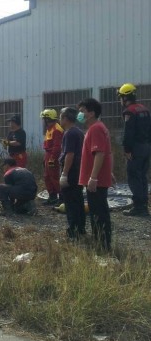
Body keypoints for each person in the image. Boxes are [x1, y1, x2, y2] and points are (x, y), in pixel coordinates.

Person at [77, 98, 113, 251]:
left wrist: (93, 177)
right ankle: (102, 242)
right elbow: (108, 152)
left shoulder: (96, 128)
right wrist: (109, 171)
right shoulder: (99, 127)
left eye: (82, 111)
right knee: (100, 211)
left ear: (91, 113)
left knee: (97, 213)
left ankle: (102, 245)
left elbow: (99, 153)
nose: (80, 114)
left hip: (95, 181)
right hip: (98, 178)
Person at [117, 83, 151, 217]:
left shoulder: (129, 111)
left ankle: (139, 207)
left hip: (136, 148)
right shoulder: (145, 109)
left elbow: (128, 132)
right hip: (147, 147)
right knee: (142, 175)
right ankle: (143, 204)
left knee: (133, 176)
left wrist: (127, 149)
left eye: (121, 97)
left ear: (125, 97)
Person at [58, 107, 86, 240]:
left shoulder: (70, 133)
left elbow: (69, 154)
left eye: (60, 117)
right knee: (78, 200)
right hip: (79, 171)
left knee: (70, 202)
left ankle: (73, 230)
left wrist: (64, 174)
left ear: (65, 118)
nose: (59, 119)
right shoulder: (79, 132)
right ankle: (81, 228)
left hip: (71, 172)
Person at [41, 108, 64, 205]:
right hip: (48, 154)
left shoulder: (56, 129)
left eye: (45, 119)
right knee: (47, 176)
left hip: (53, 155)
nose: (44, 121)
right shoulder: (49, 129)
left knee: (54, 177)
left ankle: (62, 198)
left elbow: (57, 147)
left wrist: (52, 159)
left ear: (48, 119)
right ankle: (52, 197)